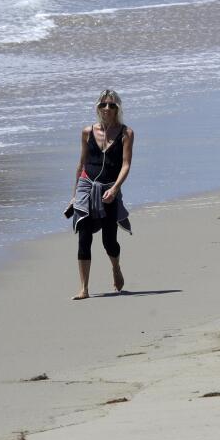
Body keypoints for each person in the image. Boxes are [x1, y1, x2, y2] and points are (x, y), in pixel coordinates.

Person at [69, 89, 134, 300]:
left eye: (112, 105)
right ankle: (84, 288)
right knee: (84, 237)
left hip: (109, 189)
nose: (107, 108)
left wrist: (114, 189)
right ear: (98, 107)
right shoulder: (87, 132)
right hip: (86, 188)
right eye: (104, 104)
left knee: (109, 240)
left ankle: (116, 267)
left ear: (118, 109)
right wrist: (74, 195)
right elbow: (80, 164)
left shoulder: (126, 133)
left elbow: (126, 165)